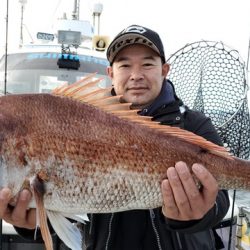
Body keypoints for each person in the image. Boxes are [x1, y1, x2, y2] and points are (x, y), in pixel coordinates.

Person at [0, 24, 229, 250]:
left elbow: (222, 196)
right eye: (125, 65)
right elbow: (65, 217)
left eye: (147, 64)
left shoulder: (194, 125)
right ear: (110, 73)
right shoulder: (82, 120)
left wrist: (197, 214)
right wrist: (30, 224)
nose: (136, 76)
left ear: (164, 70)